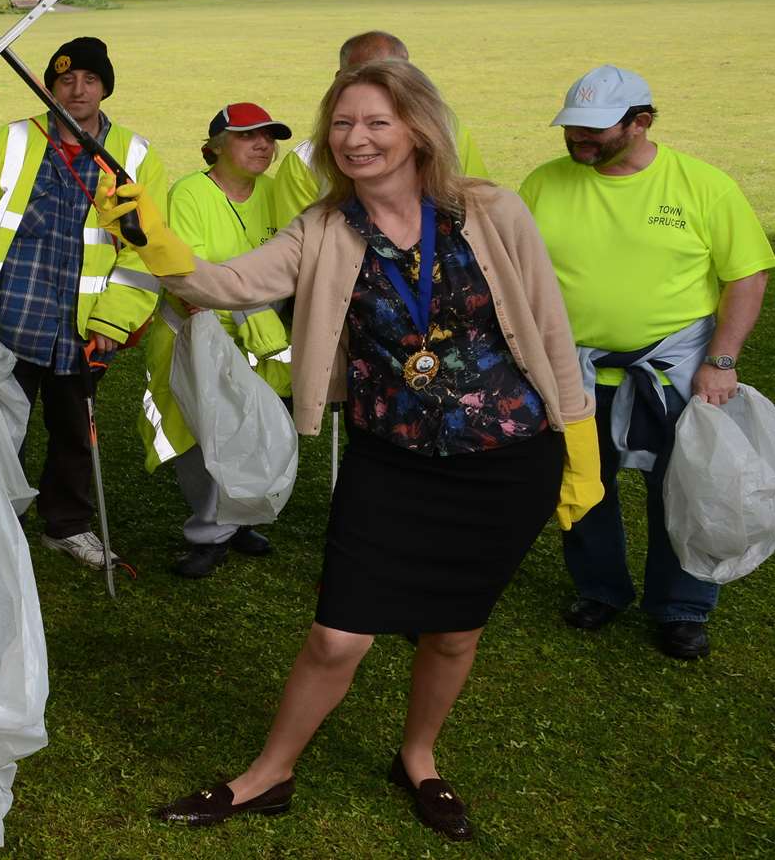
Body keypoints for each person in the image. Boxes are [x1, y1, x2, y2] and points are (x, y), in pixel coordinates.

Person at [97, 58, 601, 841]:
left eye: (376, 122)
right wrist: (157, 241)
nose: (356, 138)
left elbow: (550, 329)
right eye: (341, 123)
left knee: (455, 631)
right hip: (390, 460)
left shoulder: (491, 211)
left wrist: (578, 445)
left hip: (506, 460)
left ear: (418, 129)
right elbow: (224, 285)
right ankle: (268, 775)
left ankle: (419, 758)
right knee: (338, 635)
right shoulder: (324, 229)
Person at [518, 65, 775, 661]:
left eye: (594, 129)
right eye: (571, 128)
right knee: (582, 488)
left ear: (641, 123)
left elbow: (747, 275)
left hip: (675, 371)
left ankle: (682, 607)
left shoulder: (704, 185)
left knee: (684, 490)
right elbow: (514, 269)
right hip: (571, 371)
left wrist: (723, 358)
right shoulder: (543, 183)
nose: (579, 140)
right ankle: (600, 589)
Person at [0, 36, 167, 570]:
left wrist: (116, 320)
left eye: (90, 80)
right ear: (49, 85)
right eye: (66, 79)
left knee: (75, 433)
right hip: (12, 315)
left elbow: (146, 252)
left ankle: (67, 525)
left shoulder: (135, 156)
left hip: (86, 328)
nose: (78, 89)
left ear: (105, 87)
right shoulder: (9, 143)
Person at [137, 103, 300, 579]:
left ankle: (239, 517)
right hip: (200, 333)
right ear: (213, 147)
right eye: (248, 136)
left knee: (255, 428)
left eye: (269, 137)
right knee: (201, 435)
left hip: (262, 339)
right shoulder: (190, 191)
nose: (263, 146)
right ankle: (208, 533)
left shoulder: (274, 192)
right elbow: (194, 278)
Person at [270, 31, 490, 213]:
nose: (382, 85)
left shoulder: (450, 131)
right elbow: (299, 258)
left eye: (396, 75)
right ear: (340, 79)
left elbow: (478, 208)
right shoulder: (304, 163)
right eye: (365, 75)